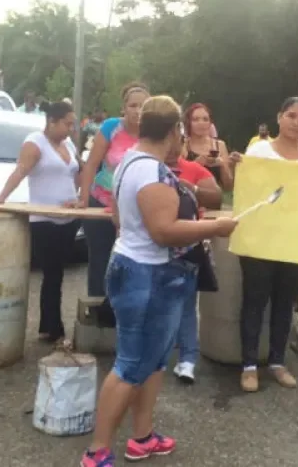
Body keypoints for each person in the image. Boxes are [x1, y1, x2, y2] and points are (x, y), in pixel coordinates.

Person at [80, 96, 238, 467]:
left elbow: (119, 217)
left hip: (134, 266)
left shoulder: (128, 162)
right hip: (149, 276)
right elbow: (164, 231)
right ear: (173, 131)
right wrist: (217, 226)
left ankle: (142, 437)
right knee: (131, 366)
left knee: (152, 363)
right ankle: (97, 452)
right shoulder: (151, 172)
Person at [229, 97, 298, 393]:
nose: (296, 122)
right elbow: (244, 190)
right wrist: (235, 169)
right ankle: (248, 366)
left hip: (295, 242)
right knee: (255, 301)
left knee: (285, 303)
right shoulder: (258, 151)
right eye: (291, 115)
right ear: (279, 117)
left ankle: (277, 362)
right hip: (259, 240)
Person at [0, 102, 82, 342]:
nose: (71, 129)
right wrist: (2, 197)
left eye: (72, 124)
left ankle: (51, 326)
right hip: (44, 218)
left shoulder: (68, 144)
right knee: (51, 273)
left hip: (68, 218)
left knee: (58, 273)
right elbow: (20, 171)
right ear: (52, 121)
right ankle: (52, 328)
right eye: (67, 124)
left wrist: (79, 200)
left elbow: (76, 174)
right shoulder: (35, 142)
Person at [78, 83, 151, 328]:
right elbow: (91, 164)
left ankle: (130, 319)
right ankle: (99, 318)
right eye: (133, 105)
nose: (138, 110)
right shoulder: (111, 128)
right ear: (124, 108)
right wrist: (84, 199)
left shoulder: (155, 132)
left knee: (133, 261)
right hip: (102, 202)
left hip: (138, 209)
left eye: (143, 105)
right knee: (100, 259)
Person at [166, 134, 223, 384]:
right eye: (166, 138)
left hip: (187, 249)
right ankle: (154, 357)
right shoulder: (145, 166)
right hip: (153, 249)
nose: (171, 145)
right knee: (154, 307)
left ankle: (188, 359)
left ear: (183, 144)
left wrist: (195, 189)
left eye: (176, 140)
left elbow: (217, 196)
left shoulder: (192, 168)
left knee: (187, 307)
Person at [184, 103, 234, 191]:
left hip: (214, 201)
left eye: (205, 119)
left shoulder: (220, 145)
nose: (201, 123)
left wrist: (222, 165)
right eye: (195, 119)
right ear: (189, 122)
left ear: (210, 123)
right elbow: (177, 181)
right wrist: (196, 165)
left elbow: (228, 186)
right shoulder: (183, 146)